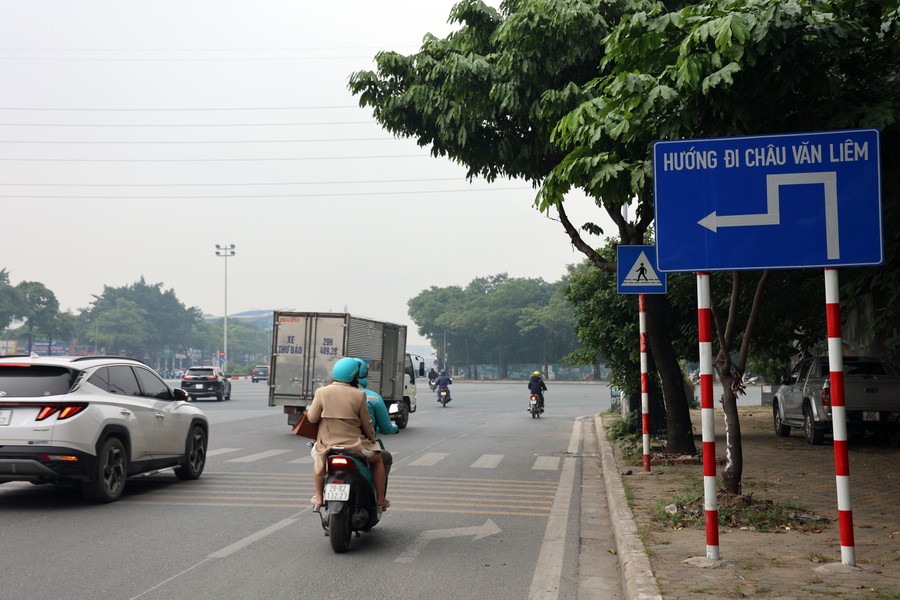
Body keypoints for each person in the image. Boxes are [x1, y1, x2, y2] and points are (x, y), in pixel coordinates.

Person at [306, 357, 389, 511]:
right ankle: (380, 501)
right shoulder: (359, 395)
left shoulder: (321, 392)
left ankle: (318, 497)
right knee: (378, 461)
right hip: (354, 446)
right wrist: (372, 438)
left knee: (319, 460)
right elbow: (367, 423)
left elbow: (312, 418)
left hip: (327, 445)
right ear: (355, 376)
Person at [355, 358, 398, 484]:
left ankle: (319, 494)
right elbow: (386, 428)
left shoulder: (325, 394)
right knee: (384, 459)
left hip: (331, 444)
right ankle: (379, 495)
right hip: (361, 445)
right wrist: (394, 427)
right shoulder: (371, 397)